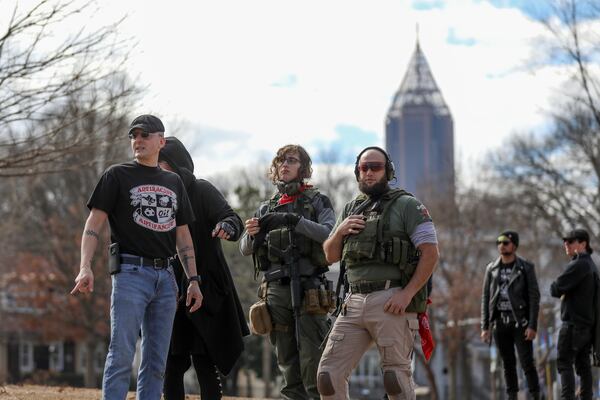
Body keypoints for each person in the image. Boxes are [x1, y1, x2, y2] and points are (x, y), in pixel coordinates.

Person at [70, 115, 203, 400]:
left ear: (161, 141)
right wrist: (85, 267)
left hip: (166, 279)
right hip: (131, 273)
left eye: (145, 135)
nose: (138, 140)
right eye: (134, 135)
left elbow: (183, 237)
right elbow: (93, 224)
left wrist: (193, 279)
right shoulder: (117, 175)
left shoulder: (174, 182)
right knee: (121, 354)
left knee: (157, 362)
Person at [317, 146, 439, 400]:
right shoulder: (351, 208)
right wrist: (340, 231)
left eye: (376, 167)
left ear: (388, 171)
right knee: (327, 377)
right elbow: (329, 255)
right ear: (357, 172)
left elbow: (430, 253)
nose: (369, 173)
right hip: (353, 302)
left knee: (395, 379)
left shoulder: (408, 205)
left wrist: (407, 294)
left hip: (391, 300)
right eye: (364, 168)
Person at [239, 144, 335, 400]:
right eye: (280, 160)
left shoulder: (316, 201)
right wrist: (252, 233)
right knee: (286, 360)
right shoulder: (266, 207)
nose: (284, 164)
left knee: (313, 357)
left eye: (291, 160)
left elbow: (329, 233)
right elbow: (245, 249)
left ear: (302, 168)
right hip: (275, 292)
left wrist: (295, 222)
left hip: (309, 288)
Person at [158, 137, 250, 400]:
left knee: (204, 358)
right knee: (172, 362)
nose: (158, 172)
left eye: (163, 166)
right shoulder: (154, 194)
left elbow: (232, 218)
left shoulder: (201, 190)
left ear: (177, 166)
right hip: (169, 285)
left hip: (207, 285)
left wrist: (228, 227)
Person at [480, 231, 541, 400]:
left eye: (505, 242)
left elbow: (534, 297)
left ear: (514, 245)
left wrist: (532, 325)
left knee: (527, 363)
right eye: (499, 242)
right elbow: (486, 298)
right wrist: (485, 327)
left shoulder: (526, 268)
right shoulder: (491, 268)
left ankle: (536, 395)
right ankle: (512, 396)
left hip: (520, 324)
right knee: (507, 364)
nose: (501, 245)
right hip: (499, 324)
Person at [551, 228, 598, 400]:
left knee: (564, 363)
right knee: (583, 366)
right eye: (565, 241)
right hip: (586, 328)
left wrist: (563, 290)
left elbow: (555, 288)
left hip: (572, 326)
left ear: (583, 243)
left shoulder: (578, 264)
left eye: (571, 241)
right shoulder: (591, 265)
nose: (566, 244)